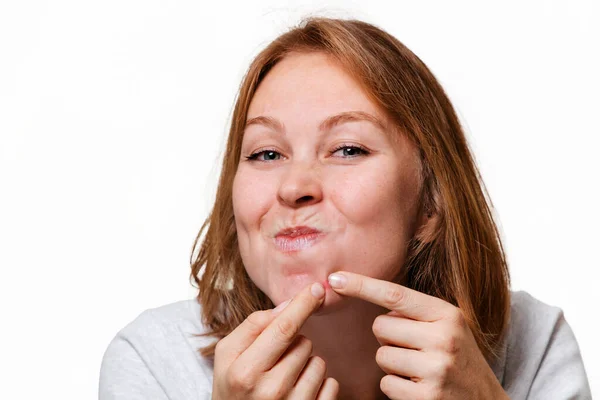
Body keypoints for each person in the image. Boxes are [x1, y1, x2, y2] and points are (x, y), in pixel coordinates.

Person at [99, 17, 592, 400]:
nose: (294, 186)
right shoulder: (154, 360)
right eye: (266, 154)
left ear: (431, 204)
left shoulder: (534, 342)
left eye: (348, 149)